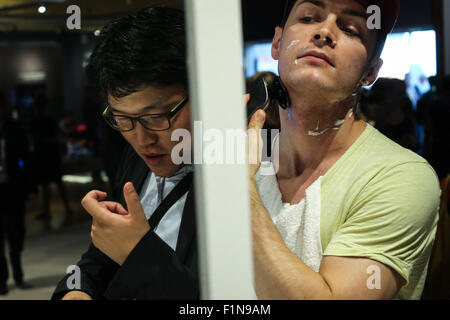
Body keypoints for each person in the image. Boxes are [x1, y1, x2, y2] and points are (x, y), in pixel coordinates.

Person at [247, 0, 440, 300]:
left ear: (371, 72)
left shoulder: (402, 177)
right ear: (276, 43)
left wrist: (239, 188)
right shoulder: (251, 157)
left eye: (350, 29)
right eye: (310, 17)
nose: (324, 32)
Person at [52, 6, 198, 300]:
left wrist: (139, 253)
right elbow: (101, 258)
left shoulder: (245, 176)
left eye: (157, 116)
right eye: (122, 118)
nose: (142, 139)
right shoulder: (138, 159)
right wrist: (77, 290)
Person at [0, 92, 33, 295]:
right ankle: (2, 278)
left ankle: (17, 268)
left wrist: (31, 186)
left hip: (12, 187)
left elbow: (26, 158)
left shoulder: (14, 128)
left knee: (16, 232)